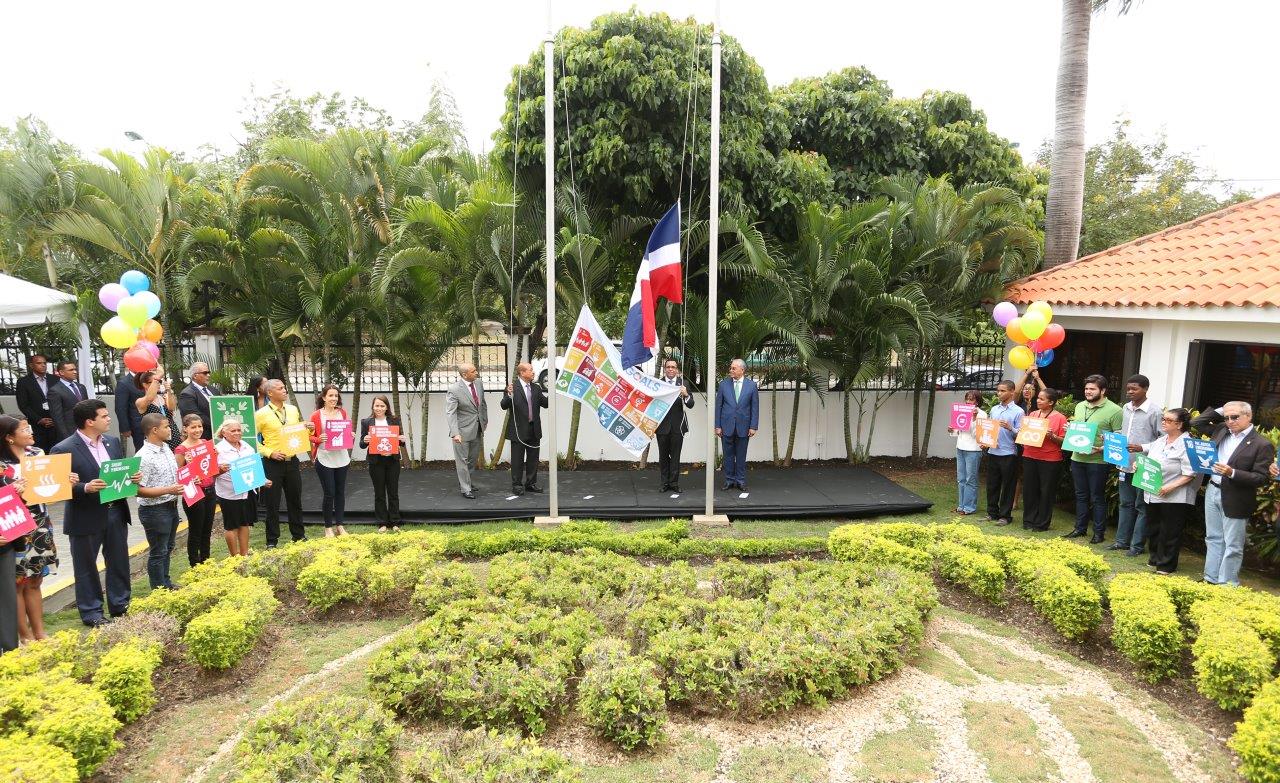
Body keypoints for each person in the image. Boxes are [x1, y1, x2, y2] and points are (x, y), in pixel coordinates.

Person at [50, 399, 140, 627]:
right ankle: (92, 612)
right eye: (104, 416)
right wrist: (86, 487)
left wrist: (131, 477)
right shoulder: (63, 449)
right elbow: (58, 487)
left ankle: (121, 604)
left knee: (119, 561)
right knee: (86, 567)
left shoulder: (111, 442)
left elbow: (118, 473)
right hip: (85, 515)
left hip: (115, 511)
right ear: (90, 421)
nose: (109, 419)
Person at [1191, 402, 1277, 586]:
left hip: (1237, 496)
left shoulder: (1262, 444)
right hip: (1213, 489)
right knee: (1213, 538)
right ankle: (1210, 579)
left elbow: (1260, 478)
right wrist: (1224, 409)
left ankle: (1227, 585)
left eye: (1235, 417)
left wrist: (1232, 472)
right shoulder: (1221, 429)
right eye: (1227, 417)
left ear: (1249, 416)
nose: (1230, 421)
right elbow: (1197, 423)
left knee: (1233, 545)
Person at [1, 414, 69, 644]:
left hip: (40, 522)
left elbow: (49, 484)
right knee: (18, 582)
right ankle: (25, 635)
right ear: (9, 438)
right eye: (24, 429)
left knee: (35, 579)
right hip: (14, 526)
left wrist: (64, 479)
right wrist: (13, 492)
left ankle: (40, 633)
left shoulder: (37, 454)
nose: (30, 432)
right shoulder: (2, 467)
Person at [1132, 408, 1200, 575]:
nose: (1163, 422)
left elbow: (1190, 473)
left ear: (1179, 424)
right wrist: (1138, 465)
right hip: (1153, 491)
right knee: (1154, 527)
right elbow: (1150, 457)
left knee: (1169, 531)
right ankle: (1155, 558)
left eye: (1168, 420)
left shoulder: (1188, 444)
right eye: (1163, 418)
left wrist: (1170, 487)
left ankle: (1166, 565)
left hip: (1174, 495)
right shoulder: (1162, 440)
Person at [1065, 374, 1124, 543]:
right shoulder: (1080, 406)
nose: (1088, 392)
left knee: (1097, 497)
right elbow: (1077, 429)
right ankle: (1080, 528)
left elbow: (1117, 438)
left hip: (1098, 461)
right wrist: (1070, 429)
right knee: (1080, 495)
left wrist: (1101, 448)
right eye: (1086, 389)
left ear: (1103, 390)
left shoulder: (1115, 410)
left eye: (1092, 389)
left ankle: (1099, 533)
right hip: (1077, 458)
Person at [254, 379, 312, 548]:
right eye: (280, 389)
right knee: (273, 503)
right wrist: (269, 452)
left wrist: (306, 427)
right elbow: (251, 440)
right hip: (272, 463)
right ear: (270, 393)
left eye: (284, 388)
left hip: (292, 461)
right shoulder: (261, 414)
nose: (285, 391)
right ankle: (272, 541)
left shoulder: (292, 410)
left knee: (295, 500)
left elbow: (295, 431)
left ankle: (299, 536)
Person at [1112, 375, 1162, 555]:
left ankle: (1137, 546)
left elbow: (1164, 440)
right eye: (1128, 389)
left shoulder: (1155, 411)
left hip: (1144, 466)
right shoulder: (1125, 408)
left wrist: (1143, 447)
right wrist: (1112, 437)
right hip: (1124, 464)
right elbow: (1126, 431)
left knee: (1141, 507)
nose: (1130, 392)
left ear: (1146, 389)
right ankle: (1121, 542)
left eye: (1134, 389)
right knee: (1125, 503)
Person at [135, 412, 183, 591]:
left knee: (168, 547)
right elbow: (138, 490)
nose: (170, 430)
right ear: (154, 430)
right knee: (158, 551)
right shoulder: (144, 456)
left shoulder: (166, 448)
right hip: (155, 510)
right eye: (166, 427)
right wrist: (168, 490)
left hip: (171, 506)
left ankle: (166, 583)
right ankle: (159, 589)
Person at [213, 420, 267, 557]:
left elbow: (254, 467)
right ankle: (234, 557)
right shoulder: (218, 450)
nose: (237, 433)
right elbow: (211, 474)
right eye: (233, 430)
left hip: (247, 491)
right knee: (231, 526)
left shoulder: (246, 446)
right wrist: (219, 470)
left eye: (238, 430)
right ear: (224, 433)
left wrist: (263, 480)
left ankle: (244, 554)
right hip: (229, 494)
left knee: (244, 523)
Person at [1019, 388, 1068, 532]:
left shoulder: (1060, 418)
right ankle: (1028, 520)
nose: (1038, 401)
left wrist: (1052, 436)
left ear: (1051, 402)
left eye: (1042, 399)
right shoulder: (1033, 414)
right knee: (1029, 490)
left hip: (1050, 459)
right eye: (1038, 398)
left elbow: (1064, 441)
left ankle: (1042, 523)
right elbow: (1025, 432)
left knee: (1046, 491)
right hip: (1029, 456)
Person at [174, 414, 217, 566]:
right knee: (196, 530)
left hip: (210, 490)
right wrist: (191, 475)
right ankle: (195, 564)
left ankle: (206, 561)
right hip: (194, 493)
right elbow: (178, 474)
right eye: (193, 427)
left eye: (200, 426)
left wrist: (215, 456)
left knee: (207, 529)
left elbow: (211, 467)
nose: (197, 430)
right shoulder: (181, 449)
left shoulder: (205, 443)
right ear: (185, 429)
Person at [309, 385, 351, 537]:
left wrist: (349, 434)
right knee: (329, 493)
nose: (334, 398)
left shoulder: (342, 413)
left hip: (341, 457)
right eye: (331, 395)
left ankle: (340, 525)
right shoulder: (316, 415)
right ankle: (328, 527)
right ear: (324, 397)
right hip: (325, 457)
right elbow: (309, 436)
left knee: (340, 493)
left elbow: (345, 432)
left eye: (336, 396)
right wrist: (318, 439)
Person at [500, 362, 548, 496]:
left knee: (533, 459)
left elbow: (545, 404)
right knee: (517, 460)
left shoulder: (536, 388)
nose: (533, 372)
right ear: (522, 373)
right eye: (530, 370)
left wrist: (556, 392)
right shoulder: (512, 387)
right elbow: (503, 405)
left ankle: (531, 483)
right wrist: (509, 395)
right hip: (518, 430)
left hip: (534, 429)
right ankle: (517, 485)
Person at [360, 396, 405, 532]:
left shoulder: (394, 420)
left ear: (387, 407)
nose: (379, 408)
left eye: (382, 406)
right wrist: (365, 440)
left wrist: (402, 439)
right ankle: (382, 522)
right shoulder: (367, 422)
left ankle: (395, 521)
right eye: (377, 406)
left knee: (393, 492)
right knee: (379, 493)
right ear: (373, 407)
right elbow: (362, 444)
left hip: (392, 461)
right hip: (376, 461)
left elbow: (400, 441)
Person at [984, 380, 1025, 526]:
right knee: (992, 484)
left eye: (1003, 391)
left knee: (1008, 485)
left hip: (1008, 453)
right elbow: (988, 428)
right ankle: (992, 513)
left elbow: (1021, 434)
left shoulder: (1019, 411)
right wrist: (984, 439)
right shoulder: (994, 409)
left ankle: (1005, 516)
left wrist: (1010, 428)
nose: (999, 393)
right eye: (998, 390)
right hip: (993, 451)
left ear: (1012, 392)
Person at [715, 359, 759, 491]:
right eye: (731, 368)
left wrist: (753, 426)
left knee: (741, 455)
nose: (731, 370)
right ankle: (729, 480)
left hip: (744, 427)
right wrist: (717, 425)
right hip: (726, 425)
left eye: (734, 368)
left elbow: (754, 407)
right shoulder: (723, 385)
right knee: (728, 455)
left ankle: (740, 480)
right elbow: (718, 407)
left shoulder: (751, 386)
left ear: (742, 370)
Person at [446, 363, 488, 500]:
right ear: (465, 374)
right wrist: (455, 433)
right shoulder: (454, 389)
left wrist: (485, 421)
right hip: (461, 432)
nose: (476, 372)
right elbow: (450, 413)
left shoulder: (479, 383)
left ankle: (467, 481)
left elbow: (482, 404)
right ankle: (465, 488)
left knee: (472, 459)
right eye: (473, 371)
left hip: (477, 428)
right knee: (462, 461)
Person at [655, 359, 695, 493]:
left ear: (677, 370)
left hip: (678, 427)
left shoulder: (683, 384)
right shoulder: (658, 383)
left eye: (673, 367)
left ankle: (674, 483)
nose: (671, 369)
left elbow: (691, 404)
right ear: (664, 369)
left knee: (676, 456)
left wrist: (686, 394)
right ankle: (663, 483)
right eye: (668, 367)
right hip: (662, 427)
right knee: (663, 457)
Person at [948, 390, 987, 516]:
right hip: (960, 447)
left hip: (973, 450)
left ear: (977, 401)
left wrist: (974, 418)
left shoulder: (982, 414)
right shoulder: (961, 410)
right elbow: (957, 431)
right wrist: (951, 429)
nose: (969, 402)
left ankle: (969, 507)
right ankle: (961, 506)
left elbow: (978, 435)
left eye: (972, 399)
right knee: (961, 478)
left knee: (971, 479)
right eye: (967, 399)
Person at [15, 354, 57, 453]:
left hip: (55, 423)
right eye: (39, 363)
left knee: (56, 453)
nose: (43, 365)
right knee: (41, 452)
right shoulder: (23, 382)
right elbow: (23, 405)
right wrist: (39, 420)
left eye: (44, 363)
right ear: (31, 365)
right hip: (37, 425)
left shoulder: (55, 379)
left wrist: (56, 418)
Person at [134, 369, 181, 449]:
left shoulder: (162, 397)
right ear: (145, 385)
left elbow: (172, 408)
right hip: (157, 439)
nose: (158, 383)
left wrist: (169, 391)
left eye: (159, 381)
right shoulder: (140, 401)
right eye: (154, 382)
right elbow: (149, 398)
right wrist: (158, 375)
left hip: (173, 434)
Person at [178, 361, 224, 439]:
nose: (208, 375)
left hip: (220, 435)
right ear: (195, 376)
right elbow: (195, 417)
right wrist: (217, 425)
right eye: (205, 373)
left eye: (209, 372)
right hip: (203, 436)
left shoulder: (214, 390)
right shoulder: (187, 394)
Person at [47, 360, 89, 441]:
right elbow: (57, 417)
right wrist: (66, 437)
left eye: (75, 369)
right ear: (61, 372)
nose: (75, 372)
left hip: (86, 430)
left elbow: (87, 408)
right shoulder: (55, 391)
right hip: (70, 433)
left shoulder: (81, 387)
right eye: (71, 370)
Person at [114, 369, 145, 451]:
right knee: (142, 450)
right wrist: (125, 428)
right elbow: (120, 407)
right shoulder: (124, 383)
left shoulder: (147, 378)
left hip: (154, 422)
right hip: (138, 425)